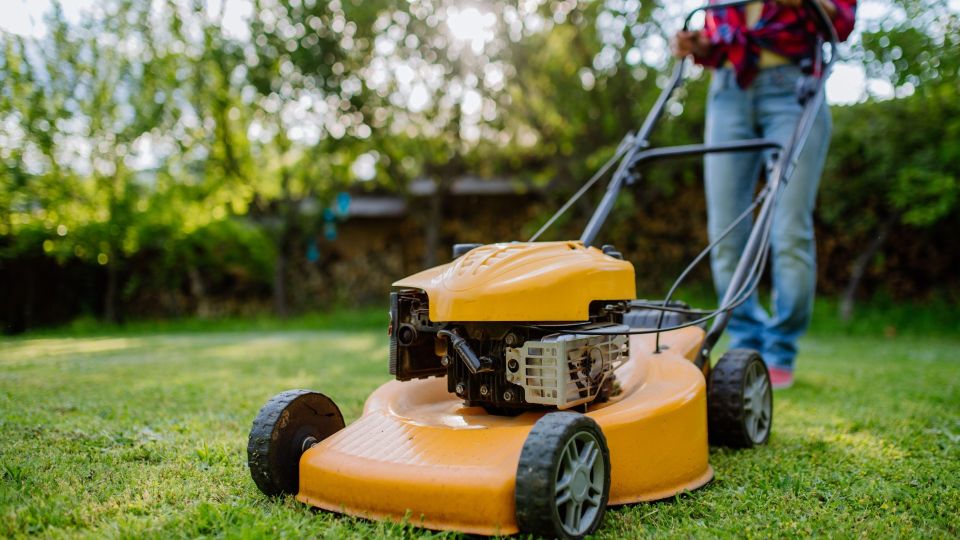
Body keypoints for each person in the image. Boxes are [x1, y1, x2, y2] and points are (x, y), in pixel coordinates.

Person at [672, 0, 856, 389]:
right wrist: (698, 46)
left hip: (794, 86)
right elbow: (722, 39)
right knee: (725, 231)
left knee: (789, 226)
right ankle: (744, 346)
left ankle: (780, 350)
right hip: (728, 92)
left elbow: (841, 20)